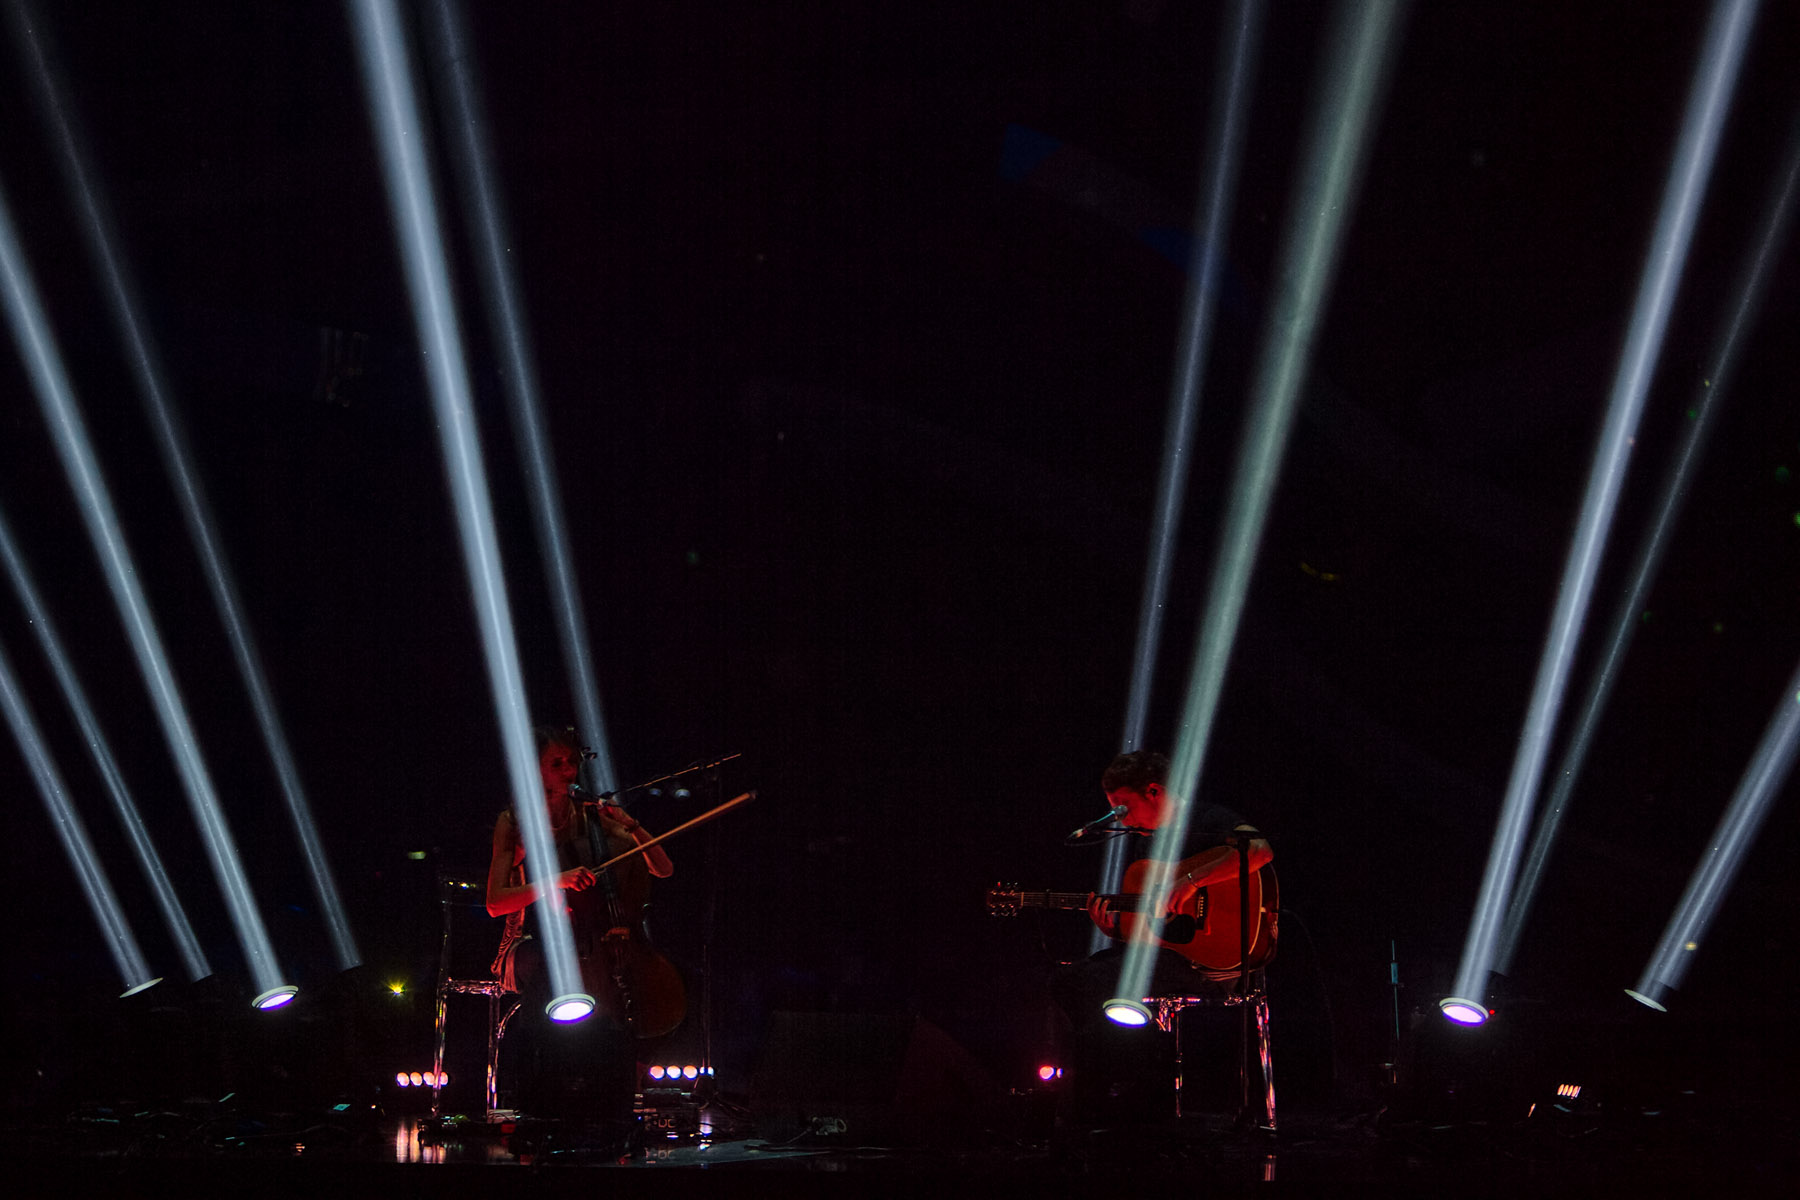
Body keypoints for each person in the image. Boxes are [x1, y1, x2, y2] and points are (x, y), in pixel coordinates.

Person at [1051, 750, 1274, 1124]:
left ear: (1154, 791)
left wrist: (1191, 881)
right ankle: (1109, 1099)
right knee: (1068, 980)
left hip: (1215, 963)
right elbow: (1155, 931)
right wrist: (1114, 928)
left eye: (1123, 807)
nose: (1121, 819)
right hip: (1169, 959)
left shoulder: (1208, 819)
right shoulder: (1145, 844)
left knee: (1093, 983)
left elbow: (1260, 850)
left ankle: (1114, 1103)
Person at [486, 726, 675, 1125]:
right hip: (534, 936)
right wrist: (556, 880)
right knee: (546, 975)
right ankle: (541, 1093)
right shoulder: (514, 821)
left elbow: (663, 868)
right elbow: (496, 902)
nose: (569, 771)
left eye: (571, 762)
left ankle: (618, 1083)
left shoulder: (592, 814)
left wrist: (631, 824)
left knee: (659, 995)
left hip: (596, 937)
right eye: (556, 763)